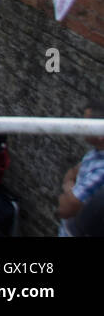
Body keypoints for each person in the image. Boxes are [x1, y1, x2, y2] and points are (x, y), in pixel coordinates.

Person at [57, 98, 104, 236]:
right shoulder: (94, 154)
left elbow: (65, 210)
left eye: (87, 124)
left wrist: (70, 197)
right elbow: (70, 174)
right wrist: (71, 192)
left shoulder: (101, 170)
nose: (82, 127)